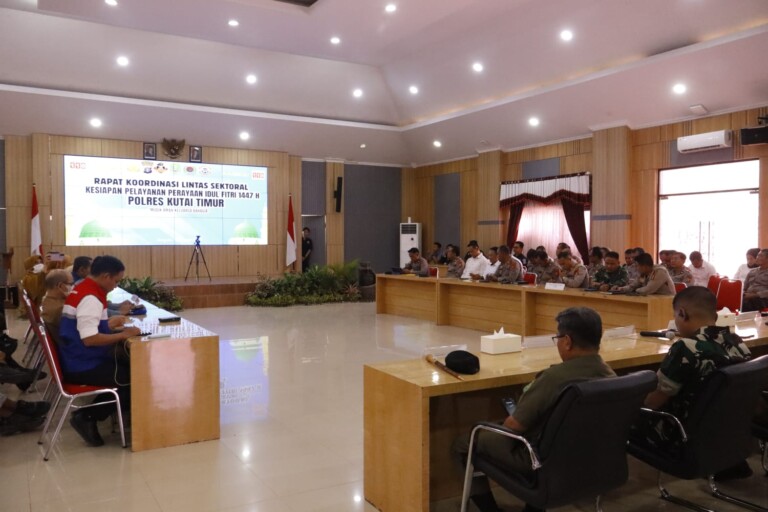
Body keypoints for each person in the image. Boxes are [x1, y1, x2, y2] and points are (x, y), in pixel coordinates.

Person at [453, 307, 616, 512]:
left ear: (567, 341)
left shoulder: (554, 378)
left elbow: (514, 426)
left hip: (538, 460)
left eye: (557, 338)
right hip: (591, 456)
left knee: (463, 444)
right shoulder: (611, 375)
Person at [635, 287, 750, 466]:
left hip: (680, 434)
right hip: (727, 431)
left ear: (682, 313)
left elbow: (654, 401)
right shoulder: (736, 341)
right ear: (715, 316)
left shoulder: (686, 347)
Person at [58, 255, 141, 447]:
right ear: (106, 276)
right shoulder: (90, 298)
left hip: (77, 358)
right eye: (116, 281)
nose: (115, 286)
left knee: (130, 366)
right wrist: (123, 335)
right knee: (136, 378)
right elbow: (90, 339)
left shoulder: (83, 288)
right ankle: (87, 417)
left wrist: (109, 326)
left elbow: (86, 328)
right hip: (82, 364)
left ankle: (109, 415)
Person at [41, 269, 74, 345]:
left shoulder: (47, 300)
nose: (73, 287)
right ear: (60, 286)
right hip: (70, 346)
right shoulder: (60, 309)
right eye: (71, 284)